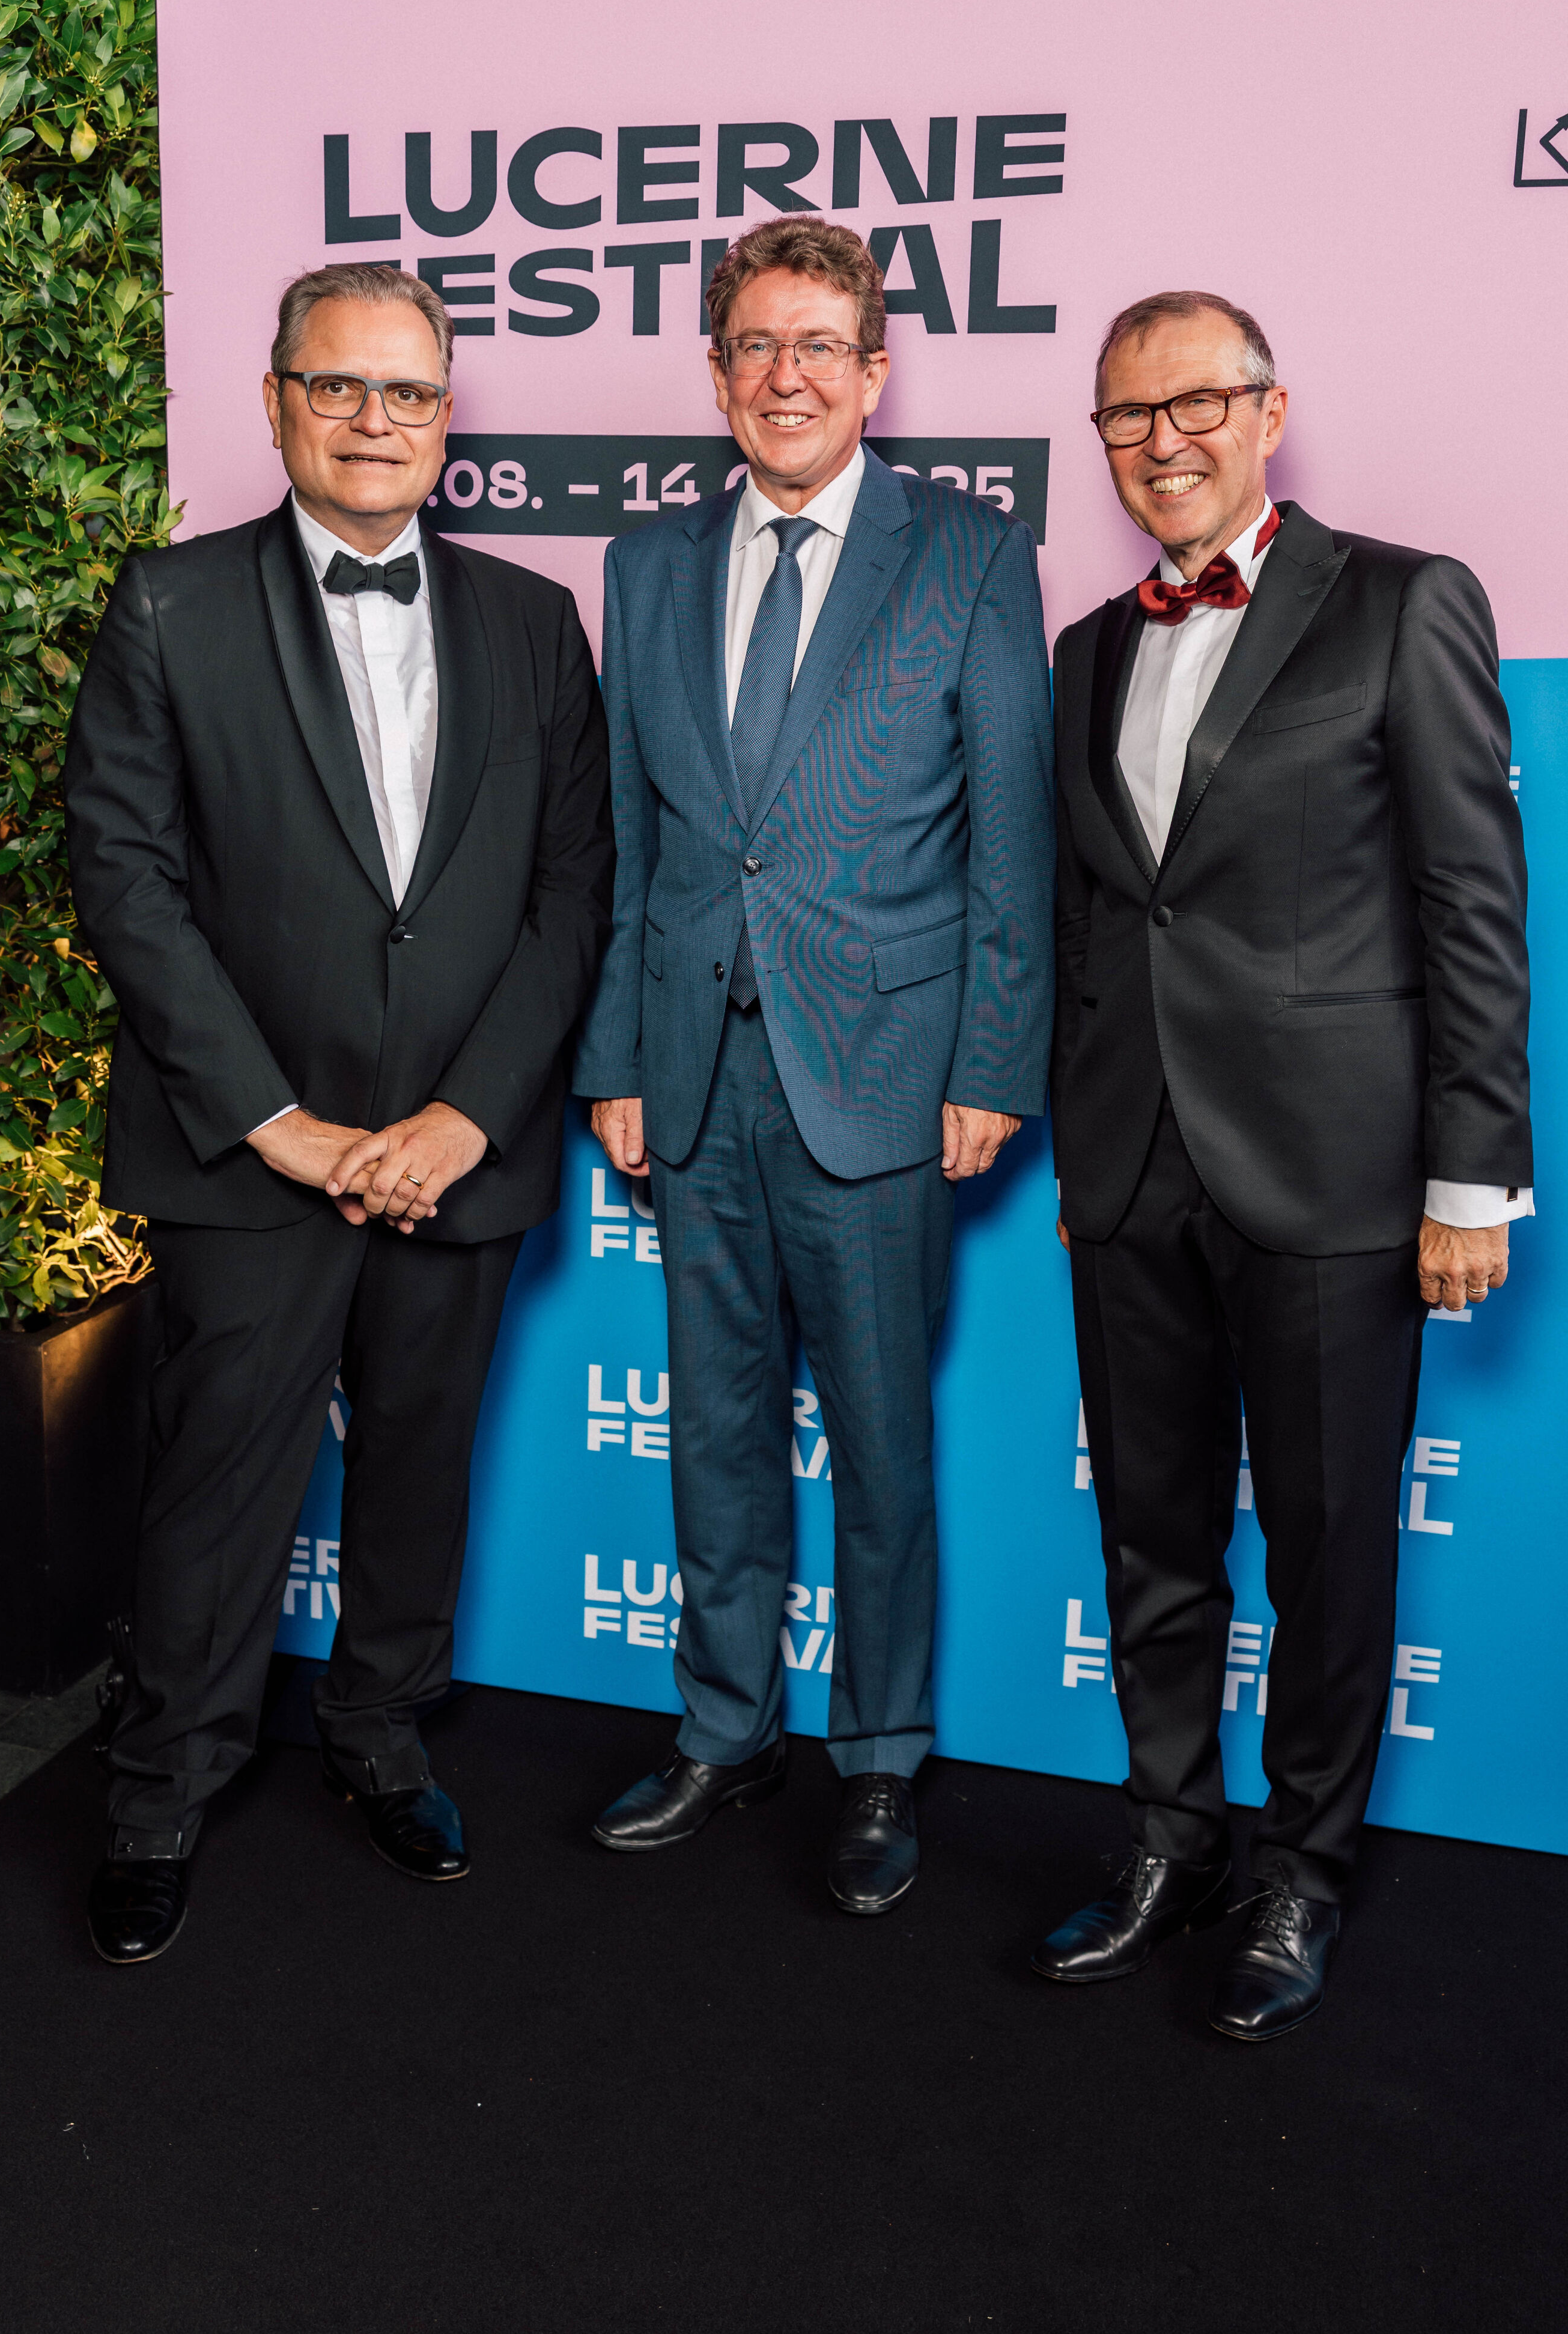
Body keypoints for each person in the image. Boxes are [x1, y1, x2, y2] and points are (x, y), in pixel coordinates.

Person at [64, 263, 613, 1963]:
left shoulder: (534, 619)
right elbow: (127, 883)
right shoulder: (171, 605)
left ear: (448, 419)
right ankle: (159, 1793)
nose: (375, 420)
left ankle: (381, 1733)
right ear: (277, 400)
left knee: (420, 1466)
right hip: (251, 1160)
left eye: (409, 392)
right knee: (218, 1489)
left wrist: (467, 1116)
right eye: (339, 385)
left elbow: (572, 892)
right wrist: (279, 1124)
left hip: (460, 1153)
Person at [1038, 290, 1531, 2038]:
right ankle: (1168, 1838)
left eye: (1197, 404)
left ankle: (1301, 1874)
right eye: (1127, 415)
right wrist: (1077, 1135)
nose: (1162, 440)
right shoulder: (1085, 648)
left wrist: (1471, 1175)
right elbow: (1095, 920)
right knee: (1152, 1539)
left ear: (1269, 410)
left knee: (1328, 1551)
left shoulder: (1404, 600)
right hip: (1129, 1166)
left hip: (1335, 1169)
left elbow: (1472, 902)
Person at [573, 217, 1054, 1915]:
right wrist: (617, 1055)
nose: (788, 376)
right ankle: (725, 1728)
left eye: (820, 346)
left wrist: (992, 1059)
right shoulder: (645, 564)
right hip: (691, 1078)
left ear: (876, 372)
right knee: (713, 1429)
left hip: (886, 1074)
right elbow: (631, 839)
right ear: (717, 374)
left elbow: (1013, 839)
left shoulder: (970, 555)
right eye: (756, 346)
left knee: (879, 1441)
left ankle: (880, 1755)